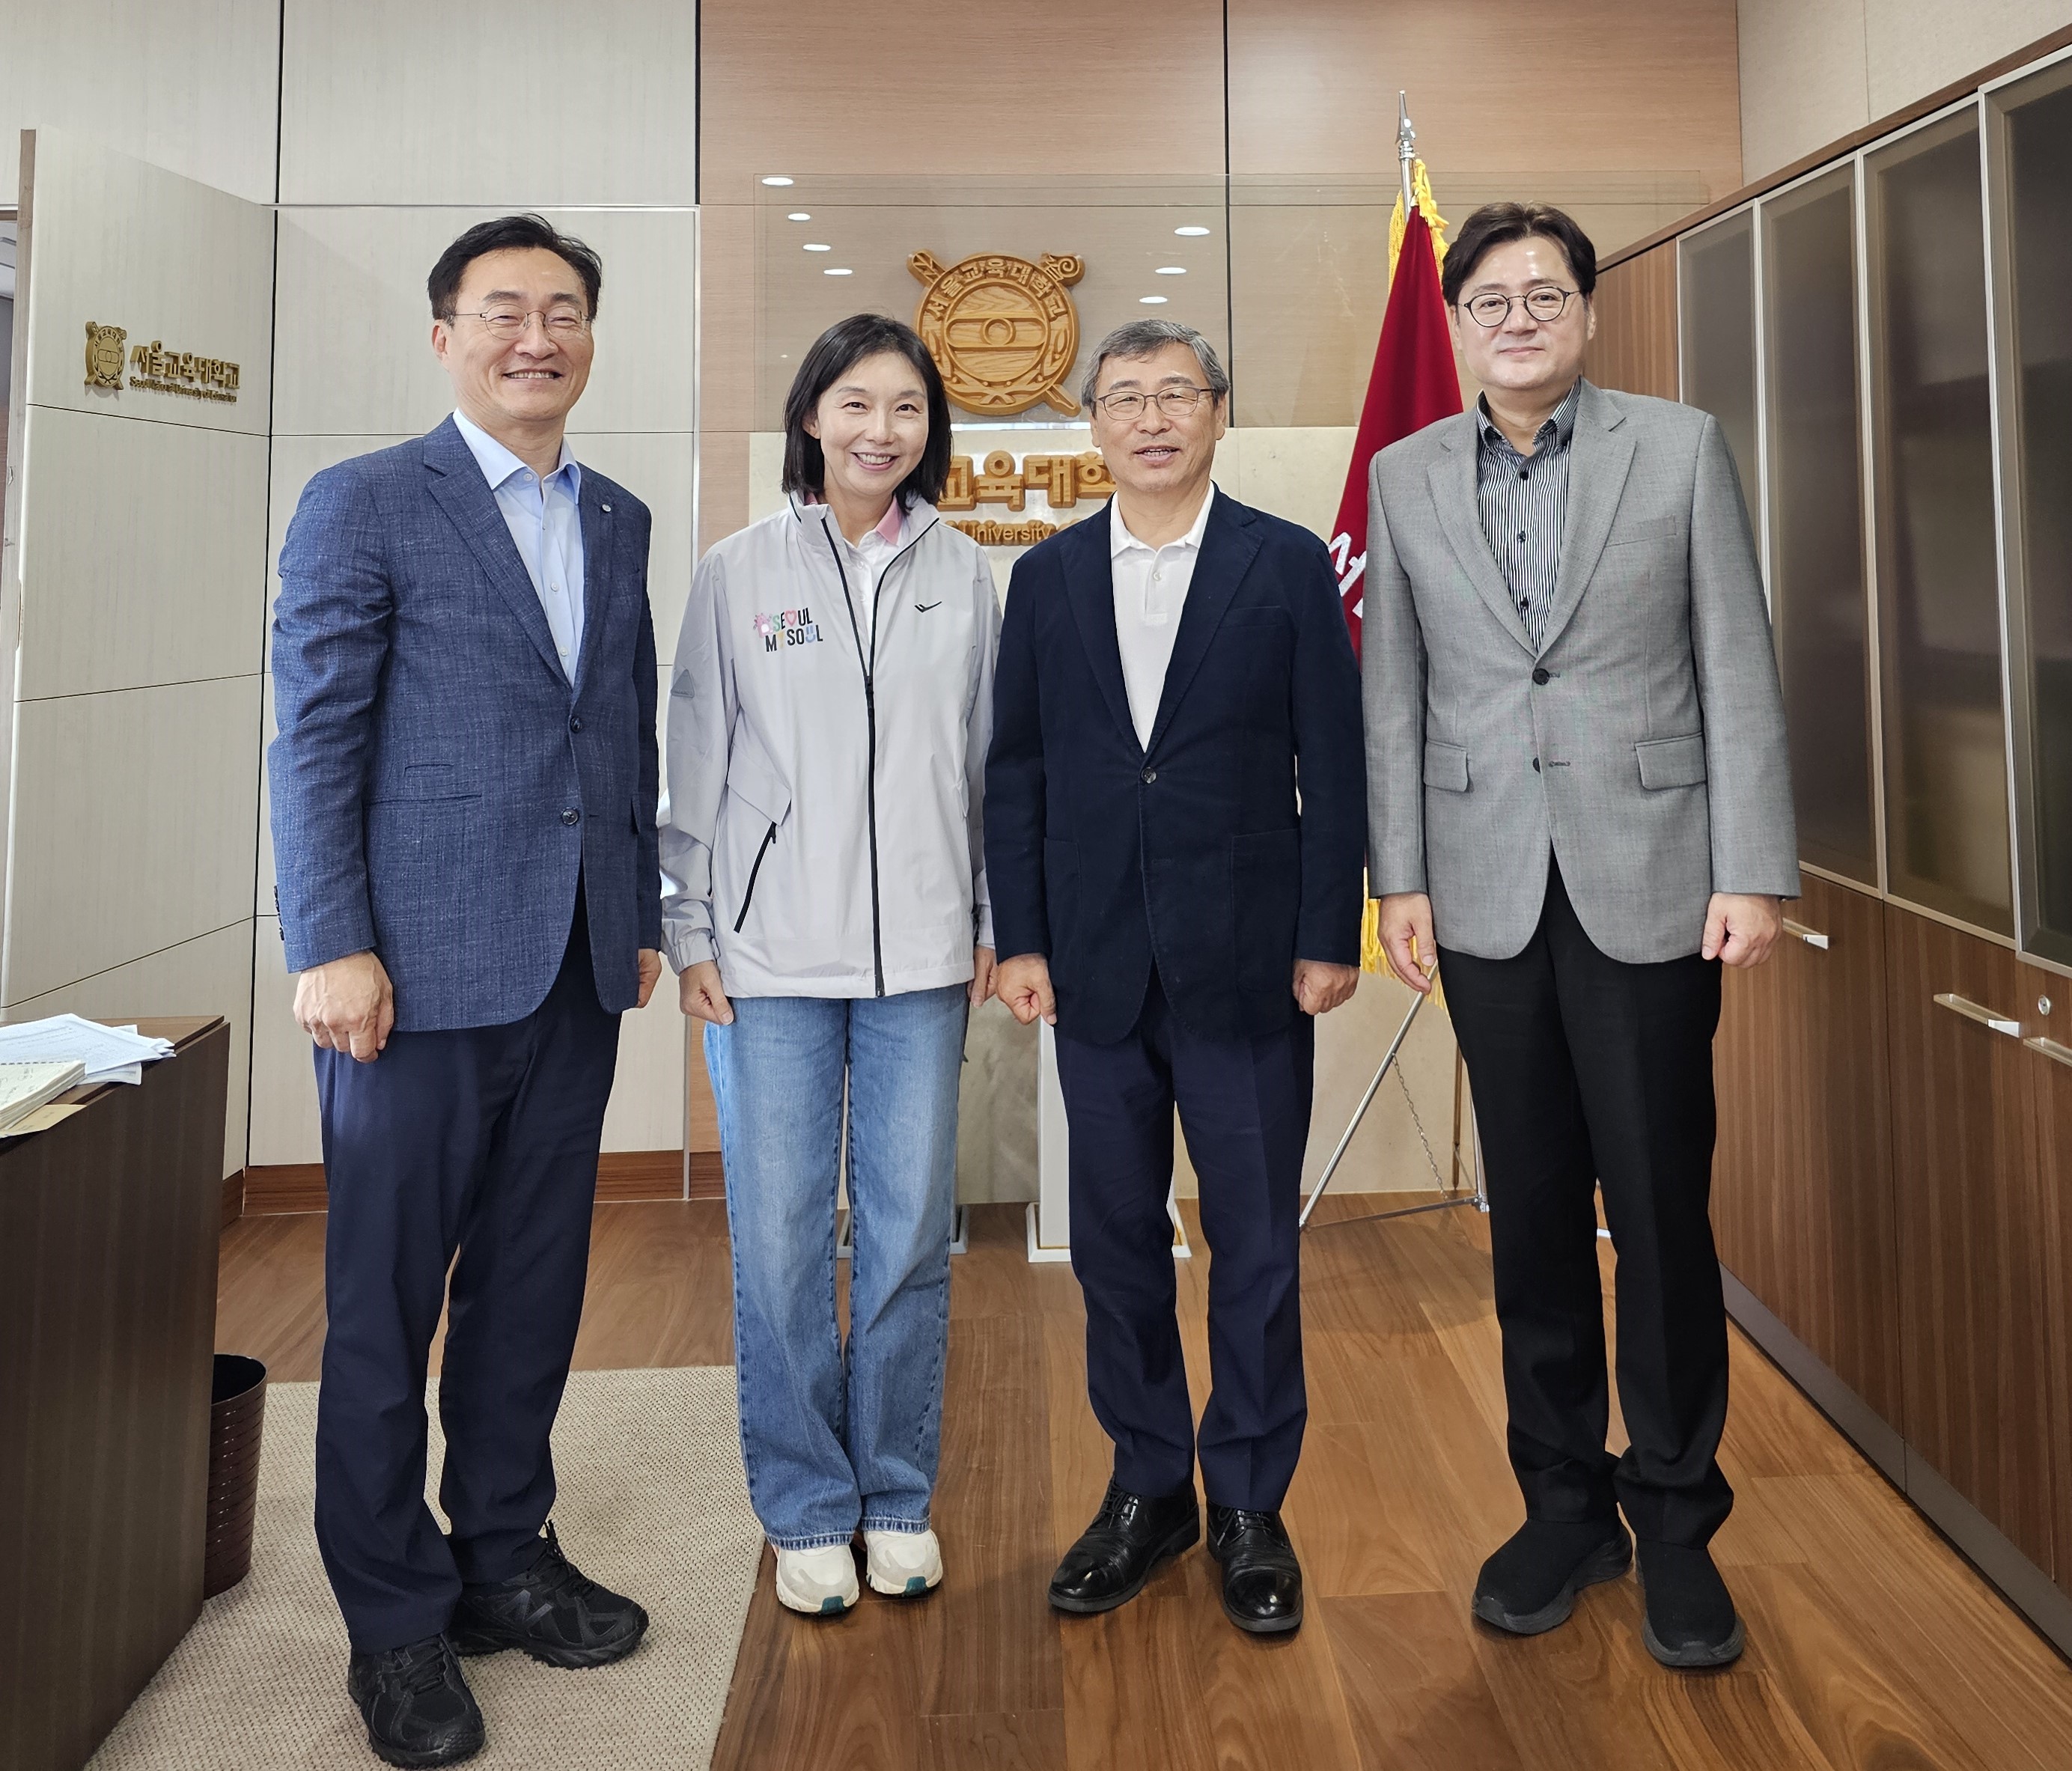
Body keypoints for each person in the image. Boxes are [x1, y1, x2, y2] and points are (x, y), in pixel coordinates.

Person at [1364, 202, 1797, 1669]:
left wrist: (1754, 868)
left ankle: (1675, 1518)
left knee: (1660, 1205)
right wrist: (1397, 876)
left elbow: (1734, 660)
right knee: (1532, 1207)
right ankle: (1561, 1506)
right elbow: (1397, 692)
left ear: (1585, 313)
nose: (1518, 317)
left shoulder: (1674, 447)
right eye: (1490, 298)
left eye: (1544, 294)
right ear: (1459, 322)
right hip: (1481, 881)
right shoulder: (1405, 471)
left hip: (1656, 869)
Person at [270, 213, 660, 1767]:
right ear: (444, 335)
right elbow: (315, 731)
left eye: (564, 310)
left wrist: (626, 910)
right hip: (406, 974)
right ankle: (394, 1622)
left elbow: (610, 731)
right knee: (381, 1310)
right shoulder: (366, 500)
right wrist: (328, 940)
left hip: (570, 966)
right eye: (503, 310)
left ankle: (503, 1552)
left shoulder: (615, 512)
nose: (537, 336)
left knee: (528, 1290)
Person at [987, 319, 1366, 1636]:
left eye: (1176, 395)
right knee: (1115, 1245)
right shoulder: (1042, 582)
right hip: (1092, 966)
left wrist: (1334, 933)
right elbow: (1018, 772)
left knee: (1255, 1243)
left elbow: (1337, 757)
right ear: (1092, 422)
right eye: (1125, 397)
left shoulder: (1286, 565)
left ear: (1219, 412)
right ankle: (1148, 1485)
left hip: (1253, 960)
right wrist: (1021, 936)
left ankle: (1251, 1499)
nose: (1151, 417)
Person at [662, 314, 999, 1618]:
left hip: (921, 958)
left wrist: (991, 917)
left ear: (930, 429)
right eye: (855, 404)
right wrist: (690, 929)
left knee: (913, 1230)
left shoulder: (968, 572)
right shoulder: (738, 571)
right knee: (786, 1237)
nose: (880, 431)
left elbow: (986, 769)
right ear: (813, 415)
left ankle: (897, 1492)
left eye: (905, 408)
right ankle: (805, 1502)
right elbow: (694, 761)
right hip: (767, 961)